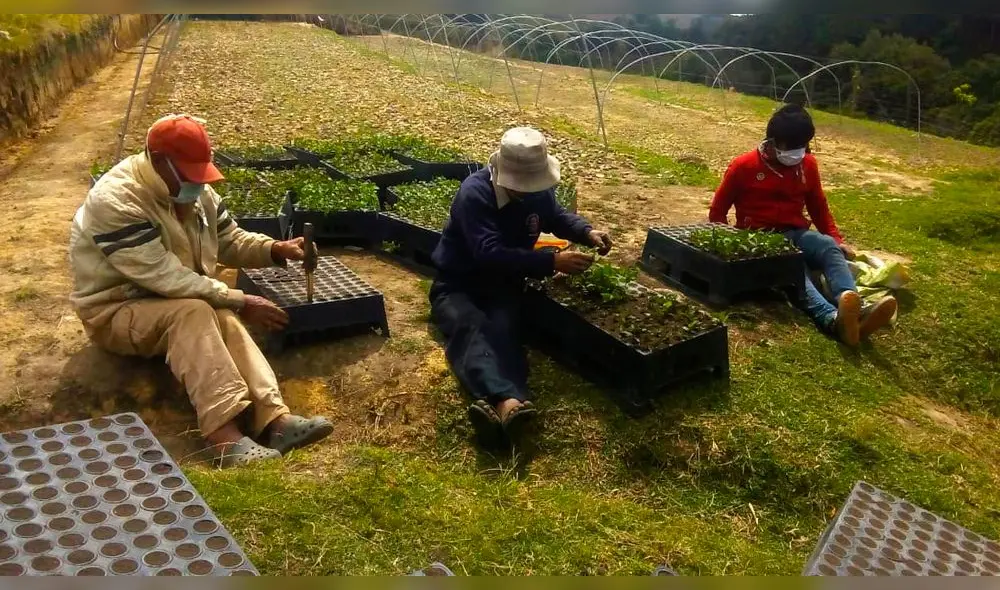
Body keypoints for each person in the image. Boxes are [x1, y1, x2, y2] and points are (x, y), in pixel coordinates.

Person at [69, 114, 333, 467]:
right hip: (116, 310)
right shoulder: (117, 201)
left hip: (176, 299)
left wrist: (275, 249)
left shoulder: (193, 190)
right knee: (195, 311)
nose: (198, 183)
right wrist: (240, 299)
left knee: (219, 313)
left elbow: (229, 239)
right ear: (159, 159)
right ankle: (223, 438)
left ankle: (275, 420)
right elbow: (166, 277)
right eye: (190, 172)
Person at [430, 127, 613, 441]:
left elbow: (555, 215)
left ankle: (503, 405)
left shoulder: (536, 193)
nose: (530, 193)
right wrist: (552, 262)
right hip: (458, 284)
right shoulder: (475, 194)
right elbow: (487, 253)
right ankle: (509, 401)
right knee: (471, 325)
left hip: (503, 285)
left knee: (504, 328)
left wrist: (586, 232)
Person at [709, 104, 897, 346]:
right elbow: (717, 212)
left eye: (803, 146)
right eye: (793, 146)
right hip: (760, 239)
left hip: (796, 232)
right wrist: (731, 248)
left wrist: (836, 238)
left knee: (827, 246)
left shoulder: (808, 165)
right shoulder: (744, 166)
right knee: (795, 268)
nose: (799, 152)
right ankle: (831, 319)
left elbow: (818, 205)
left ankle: (852, 304)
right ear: (775, 141)